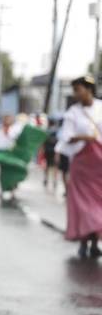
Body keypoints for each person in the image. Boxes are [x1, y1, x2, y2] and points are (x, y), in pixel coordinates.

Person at [57, 76, 102, 258]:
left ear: (89, 89)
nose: (76, 93)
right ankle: (84, 241)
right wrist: (84, 138)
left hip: (99, 162)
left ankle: (94, 242)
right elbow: (66, 135)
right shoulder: (72, 112)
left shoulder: (100, 107)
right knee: (82, 203)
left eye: (78, 89)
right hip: (81, 163)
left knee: (98, 202)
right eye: (74, 90)